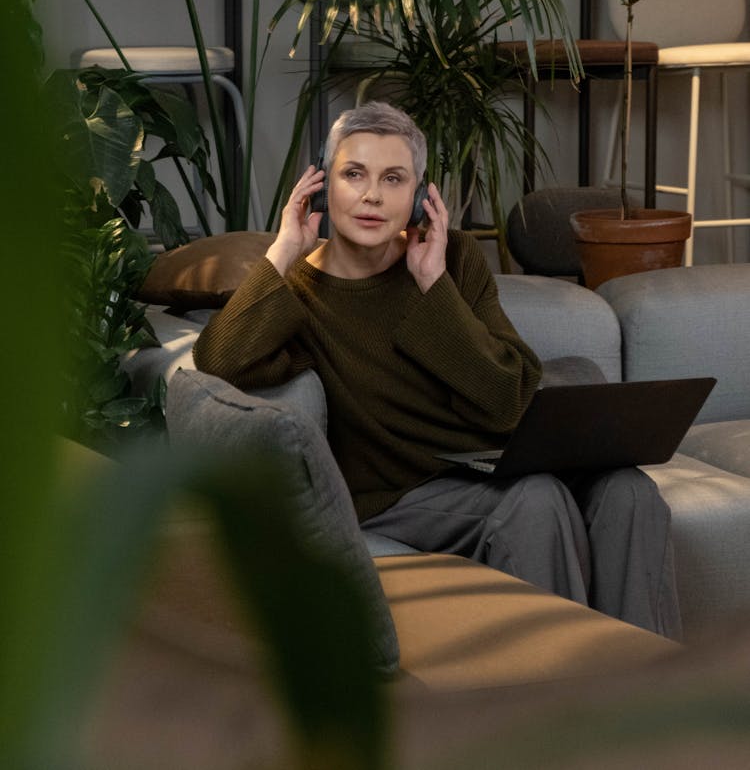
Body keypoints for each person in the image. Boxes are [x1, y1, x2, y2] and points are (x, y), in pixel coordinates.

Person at [193, 101, 681, 639]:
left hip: (493, 463)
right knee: (534, 502)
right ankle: (556, 707)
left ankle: (649, 696)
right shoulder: (301, 293)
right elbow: (218, 362)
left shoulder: (451, 258)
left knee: (628, 491)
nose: (372, 195)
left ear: (422, 196)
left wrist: (434, 286)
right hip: (401, 492)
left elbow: (506, 398)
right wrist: (284, 250)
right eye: (353, 174)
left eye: (393, 179)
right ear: (320, 187)